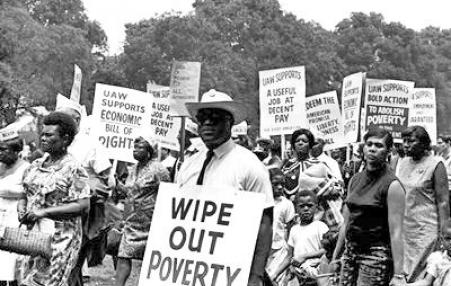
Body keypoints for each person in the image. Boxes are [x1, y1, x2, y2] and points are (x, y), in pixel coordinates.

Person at [177, 89, 274, 286]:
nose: (207, 124)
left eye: (214, 118)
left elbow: (264, 224)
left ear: (229, 122)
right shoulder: (189, 163)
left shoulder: (249, 165)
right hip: (190, 268)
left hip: (231, 268)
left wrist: (255, 276)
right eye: (202, 119)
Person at [18, 112, 90, 286]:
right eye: (42, 134)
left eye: (49, 135)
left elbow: (83, 205)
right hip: (33, 236)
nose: (43, 138)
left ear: (65, 139)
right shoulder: (35, 166)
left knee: (49, 282)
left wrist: (44, 212)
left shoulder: (75, 169)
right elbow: (24, 192)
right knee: (27, 280)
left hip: (60, 238)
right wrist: (22, 206)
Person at [332, 126, 406, 286]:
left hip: (375, 254)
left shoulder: (392, 185)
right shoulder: (355, 180)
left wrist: (399, 274)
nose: (372, 149)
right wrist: (336, 257)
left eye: (379, 146)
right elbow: (346, 222)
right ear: (363, 147)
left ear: (388, 151)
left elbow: (396, 231)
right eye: (369, 144)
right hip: (350, 251)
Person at [114, 136, 170, 286]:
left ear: (149, 151)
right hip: (132, 220)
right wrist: (117, 184)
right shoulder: (133, 169)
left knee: (150, 258)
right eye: (134, 147)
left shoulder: (158, 169)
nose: (135, 150)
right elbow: (130, 191)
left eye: (140, 148)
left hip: (150, 221)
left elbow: (168, 192)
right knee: (124, 254)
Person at [397, 126, 451, 282]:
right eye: (404, 141)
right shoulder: (404, 163)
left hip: (426, 229)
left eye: (411, 141)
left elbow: (443, 201)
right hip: (406, 227)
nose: (406, 145)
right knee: (404, 272)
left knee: (422, 273)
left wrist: (445, 231)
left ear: (423, 143)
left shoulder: (436, 164)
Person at [271, 190, 329, 284]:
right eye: (302, 206)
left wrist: (304, 257)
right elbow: (289, 257)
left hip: (315, 276)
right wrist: (275, 274)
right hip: (299, 278)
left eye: (310, 205)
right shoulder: (294, 229)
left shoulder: (320, 226)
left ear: (316, 207)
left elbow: (325, 250)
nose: (306, 209)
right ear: (296, 208)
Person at [0, 129, 30, 285]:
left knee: (8, 264)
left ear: (16, 150)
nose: (0, 153)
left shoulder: (27, 169)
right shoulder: (0, 166)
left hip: (13, 222)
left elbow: (29, 194)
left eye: (3, 150)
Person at [266, 168, 296, 279]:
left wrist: (290, 255)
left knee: (275, 279)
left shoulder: (287, 204)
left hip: (279, 251)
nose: (279, 187)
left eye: (282, 184)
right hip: (261, 251)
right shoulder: (260, 201)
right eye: (275, 184)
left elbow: (290, 230)